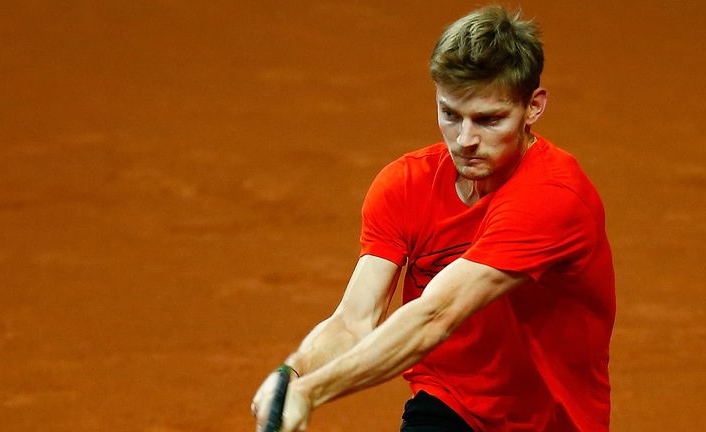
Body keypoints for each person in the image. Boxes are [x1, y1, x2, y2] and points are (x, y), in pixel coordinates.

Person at [252, 5, 615, 431]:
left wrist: (310, 392)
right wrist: (291, 375)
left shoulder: (552, 196)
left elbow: (437, 315)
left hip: (551, 422)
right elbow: (354, 319)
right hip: (449, 404)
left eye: (489, 119)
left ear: (533, 107)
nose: (465, 140)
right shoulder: (405, 185)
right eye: (450, 114)